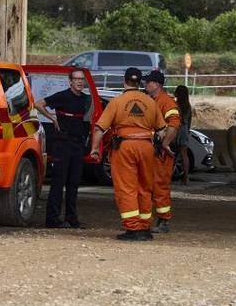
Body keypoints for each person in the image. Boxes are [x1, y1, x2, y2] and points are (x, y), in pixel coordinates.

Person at [90, 68, 168, 241]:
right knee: (145, 187)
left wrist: (95, 149)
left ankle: (132, 229)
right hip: (146, 147)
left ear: (124, 82)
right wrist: (160, 146)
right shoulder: (150, 102)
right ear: (140, 83)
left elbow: (99, 129)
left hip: (125, 147)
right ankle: (145, 228)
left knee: (127, 188)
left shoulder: (117, 102)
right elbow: (162, 130)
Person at [34, 68, 92, 229]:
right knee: (58, 183)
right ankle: (52, 219)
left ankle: (72, 219)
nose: (80, 82)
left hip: (78, 145)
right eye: (76, 79)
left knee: (73, 184)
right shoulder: (62, 96)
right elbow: (38, 104)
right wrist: (52, 118)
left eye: (82, 79)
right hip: (63, 144)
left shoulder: (87, 100)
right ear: (70, 81)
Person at [143, 70, 180, 233]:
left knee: (159, 185)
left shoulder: (166, 102)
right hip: (151, 150)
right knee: (149, 185)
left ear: (156, 84)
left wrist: (165, 143)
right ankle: (154, 219)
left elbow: (174, 123)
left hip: (160, 152)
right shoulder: (151, 100)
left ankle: (163, 221)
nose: (145, 84)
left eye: (147, 82)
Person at [174, 85, 192, 186]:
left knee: (172, 153)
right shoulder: (188, 106)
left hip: (176, 129)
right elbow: (189, 121)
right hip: (185, 129)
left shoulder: (176, 105)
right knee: (184, 155)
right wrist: (187, 131)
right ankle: (186, 177)